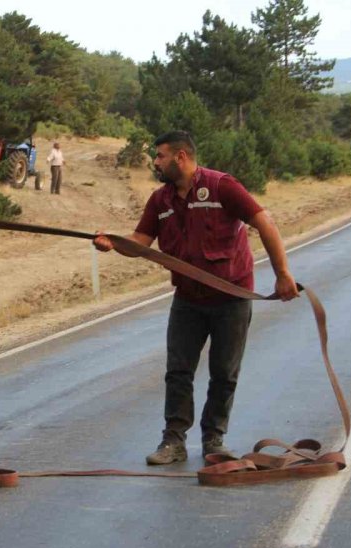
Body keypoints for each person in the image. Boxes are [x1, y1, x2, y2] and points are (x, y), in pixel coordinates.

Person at [93, 130, 298, 465]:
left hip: (231, 298)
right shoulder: (160, 201)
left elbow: (264, 221)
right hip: (188, 299)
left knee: (224, 372)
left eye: (160, 156)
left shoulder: (222, 187)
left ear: (181, 157)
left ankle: (214, 441)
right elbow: (139, 242)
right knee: (178, 370)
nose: (155, 162)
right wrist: (113, 243)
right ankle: (172, 442)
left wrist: (282, 274)